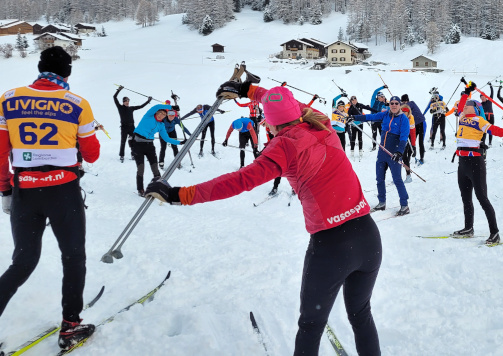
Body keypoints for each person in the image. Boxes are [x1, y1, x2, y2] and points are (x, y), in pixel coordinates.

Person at [145, 83, 381, 355]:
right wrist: (248, 89)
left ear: (269, 124)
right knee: (361, 315)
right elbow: (284, 102)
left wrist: (180, 194)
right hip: (368, 237)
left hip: (331, 247)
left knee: (310, 326)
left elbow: (241, 180)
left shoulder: (283, 146)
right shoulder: (322, 122)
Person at [0, 46, 102, 351]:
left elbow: (0, 151)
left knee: (23, 261)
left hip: (25, 191)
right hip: (63, 192)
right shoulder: (77, 103)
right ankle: (70, 327)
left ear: (40, 68)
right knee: (73, 257)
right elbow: (93, 154)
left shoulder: (8, 99)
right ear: (67, 73)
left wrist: (5, 189)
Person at [451, 81, 503, 245]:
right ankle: (468, 228)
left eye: (468, 105)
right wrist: (467, 91)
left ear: (475, 108)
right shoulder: (461, 116)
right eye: (465, 105)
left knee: (482, 198)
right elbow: (460, 104)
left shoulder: (480, 120)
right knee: (465, 198)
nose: (464, 106)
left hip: (475, 163)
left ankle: (495, 233)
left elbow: (496, 131)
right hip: (462, 163)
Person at [351, 96, 411, 216]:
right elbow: (370, 117)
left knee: (397, 179)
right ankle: (381, 203)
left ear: (399, 105)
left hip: (393, 153)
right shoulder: (385, 114)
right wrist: (354, 117)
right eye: (392, 103)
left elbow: (404, 137)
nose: (393, 105)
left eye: (396, 103)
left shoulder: (403, 119)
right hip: (382, 152)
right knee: (379, 178)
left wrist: (399, 152)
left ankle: (404, 205)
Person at [132, 104, 185, 196]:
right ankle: (140, 189)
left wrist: (180, 143)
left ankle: (158, 187)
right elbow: (156, 106)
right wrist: (171, 107)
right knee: (141, 168)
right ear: (156, 113)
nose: (161, 115)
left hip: (149, 146)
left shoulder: (161, 125)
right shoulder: (148, 116)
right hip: (137, 145)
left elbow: (167, 138)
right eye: (160, 113)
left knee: (155, 168)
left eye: (164, 115)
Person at [114, 86, 152, 162]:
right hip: (124, 127)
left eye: (128, 101)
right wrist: (119, 90)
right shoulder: (120, 107)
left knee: (133, 141)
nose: (127, 102)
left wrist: (148, 101)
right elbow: (114, 97)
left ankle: (133, 154)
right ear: (123, 102)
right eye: (125, 101)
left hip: (131, 127)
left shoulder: (131, 108)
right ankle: (122, 155)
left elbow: (141, 106)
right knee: (123, 141)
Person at [401, 94, 427, 165]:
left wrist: (399, 103)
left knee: (420, 142)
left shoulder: (411, 103)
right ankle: (408, 158)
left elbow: (406, 106)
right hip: (413, 125)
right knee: (411, 141)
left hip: (421, 124)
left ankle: (422, 158)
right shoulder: (405, 106)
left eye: (403, 102)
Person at [369, 86, 388, 151]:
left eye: (383, 97)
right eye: (381, 97)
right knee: (374, 133)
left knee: (381, 133)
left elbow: (387, 110)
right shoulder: (373, 101)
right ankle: (374, 146)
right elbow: (375, 91)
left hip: (380, 120)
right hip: (374, 119)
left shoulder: (384, 103)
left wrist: (386, 103)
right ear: (378, 97)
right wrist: (383, 87)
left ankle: (383, 145)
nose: (383, 98)